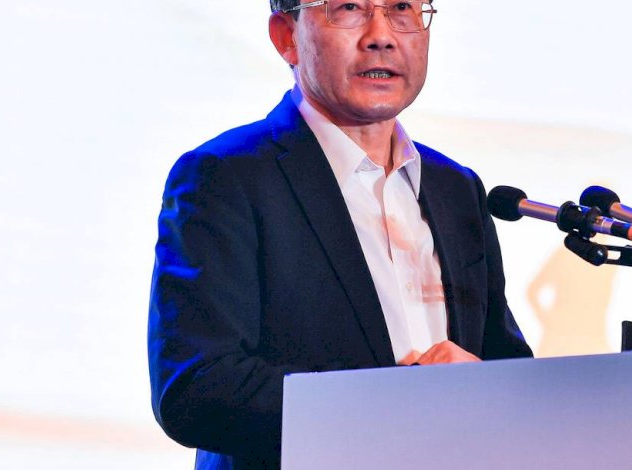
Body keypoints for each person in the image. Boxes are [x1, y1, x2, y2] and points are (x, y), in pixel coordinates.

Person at [147, 1, 533, 468]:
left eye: (402, 9)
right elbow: (197, 389)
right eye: (348, 8)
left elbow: (503, 361)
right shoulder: (227, 178)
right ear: (286, 36)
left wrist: (491, 387)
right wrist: (403, 404)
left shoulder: (457, 187)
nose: (381, 36)